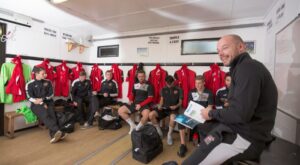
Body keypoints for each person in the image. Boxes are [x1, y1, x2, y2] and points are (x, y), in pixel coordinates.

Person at [182, 34, 278, 164]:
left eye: (225, 48)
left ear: (240, 47)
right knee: (203, 138)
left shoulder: (247, 68)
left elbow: (240, 114)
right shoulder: (242, 68)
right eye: (218, 51)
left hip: (246, 137)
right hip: (237, 129)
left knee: (192, 163)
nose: (221, 53)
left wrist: (210, 113)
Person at [26, 67, 67, 143]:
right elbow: (29, 97)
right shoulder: (30, 84)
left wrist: (43, 100)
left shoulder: (48, 82)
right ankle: (59, 132)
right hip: (36, 104)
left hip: (48, 102)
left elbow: (51, 94)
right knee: (45, 114)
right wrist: (41, 103)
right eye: (43, 73)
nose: (45, 75)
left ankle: (54, 136)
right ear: (36, 74)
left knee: (53, 116)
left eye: (45, 73)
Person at [177, 75, 213, 157]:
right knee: (180, 120)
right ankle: (183, 145)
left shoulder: (209, 92)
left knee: (204, 127)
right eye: (196, 83)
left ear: (204, 83)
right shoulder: (191, 92)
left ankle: (202, 144)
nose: (198, 85)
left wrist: (204, 114)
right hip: (193, 115)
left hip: (204, 116)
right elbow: (190, 105)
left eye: (200, 83)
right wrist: (188, 113)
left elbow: (210, 107)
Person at [149, 75, 183, 145]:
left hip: (173, 109)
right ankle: (159, 131)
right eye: (168, 84)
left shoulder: (179, 89)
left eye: (171, 83)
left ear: (174, 82)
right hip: (164, 108)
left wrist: (176, 106)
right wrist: (160, 105)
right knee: (151, 114)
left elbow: (180, 102)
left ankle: (169, 134)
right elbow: (161, 100)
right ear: (165, 82)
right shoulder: (163, 89)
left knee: (173, 118)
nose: (169, 85)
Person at [118, 70, 154, 134]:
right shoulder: (135, 84)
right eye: (139, 76)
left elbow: (150, 98)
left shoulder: (149, 85)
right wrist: (130, 100)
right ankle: (132, 125)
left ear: (145, 76)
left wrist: (140, 105)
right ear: (137, 77)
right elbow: (132, 94)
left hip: (144, 104)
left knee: (146, 115)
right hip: (135, 103)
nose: (141, 78)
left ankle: (137, 128)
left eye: (142, 76)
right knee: (120, 110)